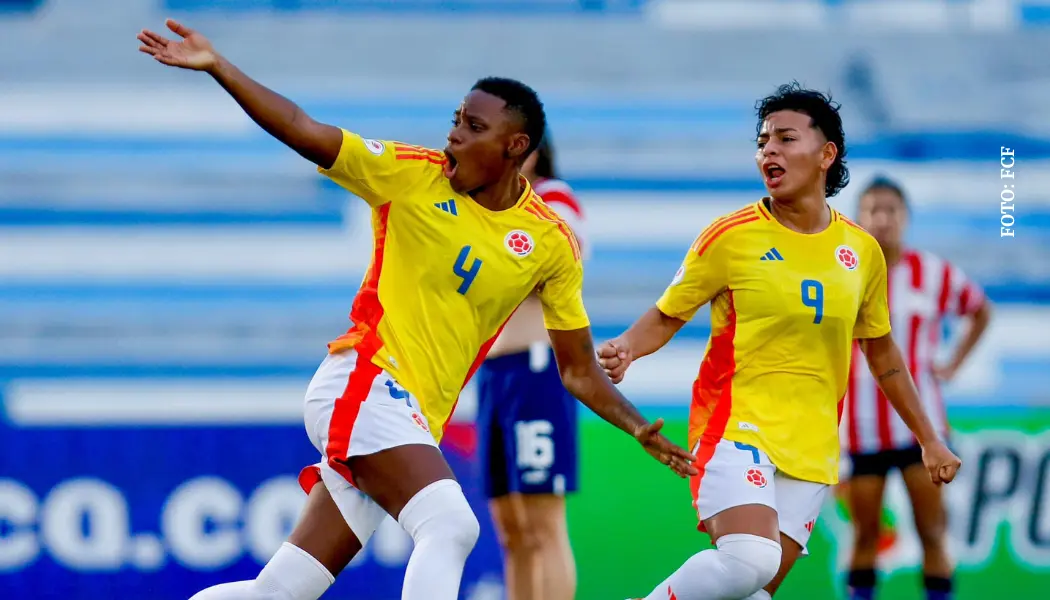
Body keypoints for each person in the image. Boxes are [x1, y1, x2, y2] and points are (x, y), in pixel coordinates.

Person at [137, 19, 697, 600]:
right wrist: (219, 67)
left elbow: (577, 367)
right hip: (364, 383)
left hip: (407, 416)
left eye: (472, 126)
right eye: (455, 120)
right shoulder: (410, 174)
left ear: (515, 147)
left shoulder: (549, 239)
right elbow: (304, 128)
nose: (453, 136)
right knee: (452, 526)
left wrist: (638, 429)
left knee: (280, 591)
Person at [598, 82, 963, 600]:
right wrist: (628, 347)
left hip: (812, 443)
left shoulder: (861, 252)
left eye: (785, 138)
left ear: (825, 155)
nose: (769, 149)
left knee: (754, 592)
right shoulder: (731, 236)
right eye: (763, 140)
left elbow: (882, 354)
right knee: (750, 558)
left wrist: (928, 438)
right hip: (735, 424)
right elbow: (666, 314)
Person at [841, 176, 992, 600]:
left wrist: (953, 364)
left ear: (905, 217)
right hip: (861, 430)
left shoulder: (934, 273)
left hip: (922, 433)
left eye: (890, 210)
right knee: (865, 535)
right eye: (873, 209)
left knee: (932, 533)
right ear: (859, 217)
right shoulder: (843, 275)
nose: (882, 219)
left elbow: (980, 311)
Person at [476, 131, 585, 600]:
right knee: (510, 526)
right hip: (495, 374)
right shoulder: (488, 209)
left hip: (537, 368)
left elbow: (557, 265)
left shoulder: (552, 200)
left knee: (543, 520)